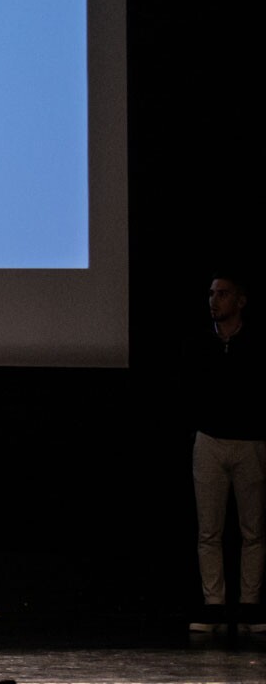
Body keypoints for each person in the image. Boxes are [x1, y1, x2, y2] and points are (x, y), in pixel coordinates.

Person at [189, 272, 264, 634]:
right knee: (209, 531)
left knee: (253, 531)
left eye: (222, 294)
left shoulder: (255, 342)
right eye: (211, 293)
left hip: (250, 442)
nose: (214, 300)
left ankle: (250, 607)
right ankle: (214, 606)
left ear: (240, 300)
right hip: (210, 441)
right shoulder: (202, 342)